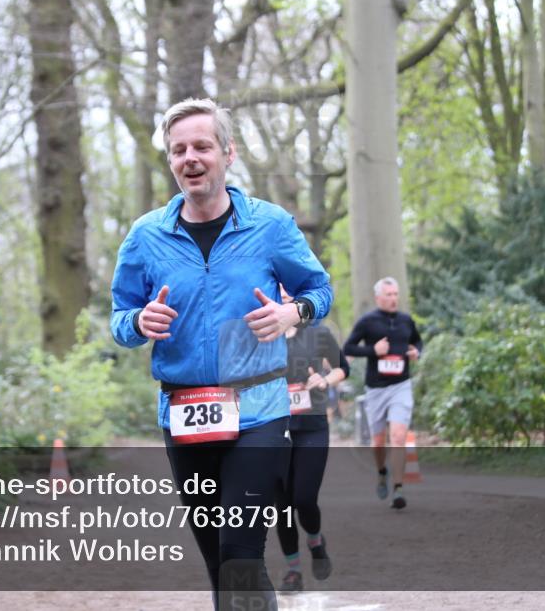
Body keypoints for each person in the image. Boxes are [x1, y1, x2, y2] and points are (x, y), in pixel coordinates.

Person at [110, 98, 333, 610]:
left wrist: (291, 314)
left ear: (227, 154)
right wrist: (138, 322)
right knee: (221, 566)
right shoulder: (146, 236)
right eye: (179, 149)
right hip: (185, 414)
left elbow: (319, 292)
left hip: (257, 410)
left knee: (240, 553)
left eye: (202, 146)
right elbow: (120, 319)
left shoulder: (269, 226)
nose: (191, 157)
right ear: (171, 161)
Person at [276, 285, 349, 593]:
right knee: (281, 507)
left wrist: (324, 379)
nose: (280, 292)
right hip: (272, 430)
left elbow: (343, 368)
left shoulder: (317, 333)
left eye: (285, 288)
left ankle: (316, 543)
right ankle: (293, 571)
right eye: (274, 287)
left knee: (304, 499)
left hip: (311, 426)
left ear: (295, 296)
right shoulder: (260, 335)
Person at [343, 277, 424, 510]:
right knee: (378, 441)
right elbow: (348, 348)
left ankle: (398, 489)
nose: (393, 298)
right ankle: (382, 472)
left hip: (401, 386)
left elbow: (418, 342)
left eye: (396, 294)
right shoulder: (368, 322)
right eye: (388, 295)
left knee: (398, 436)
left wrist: (415, 352)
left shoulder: (406, 321)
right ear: (378, 297)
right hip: (376, 389)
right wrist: (373, 350)